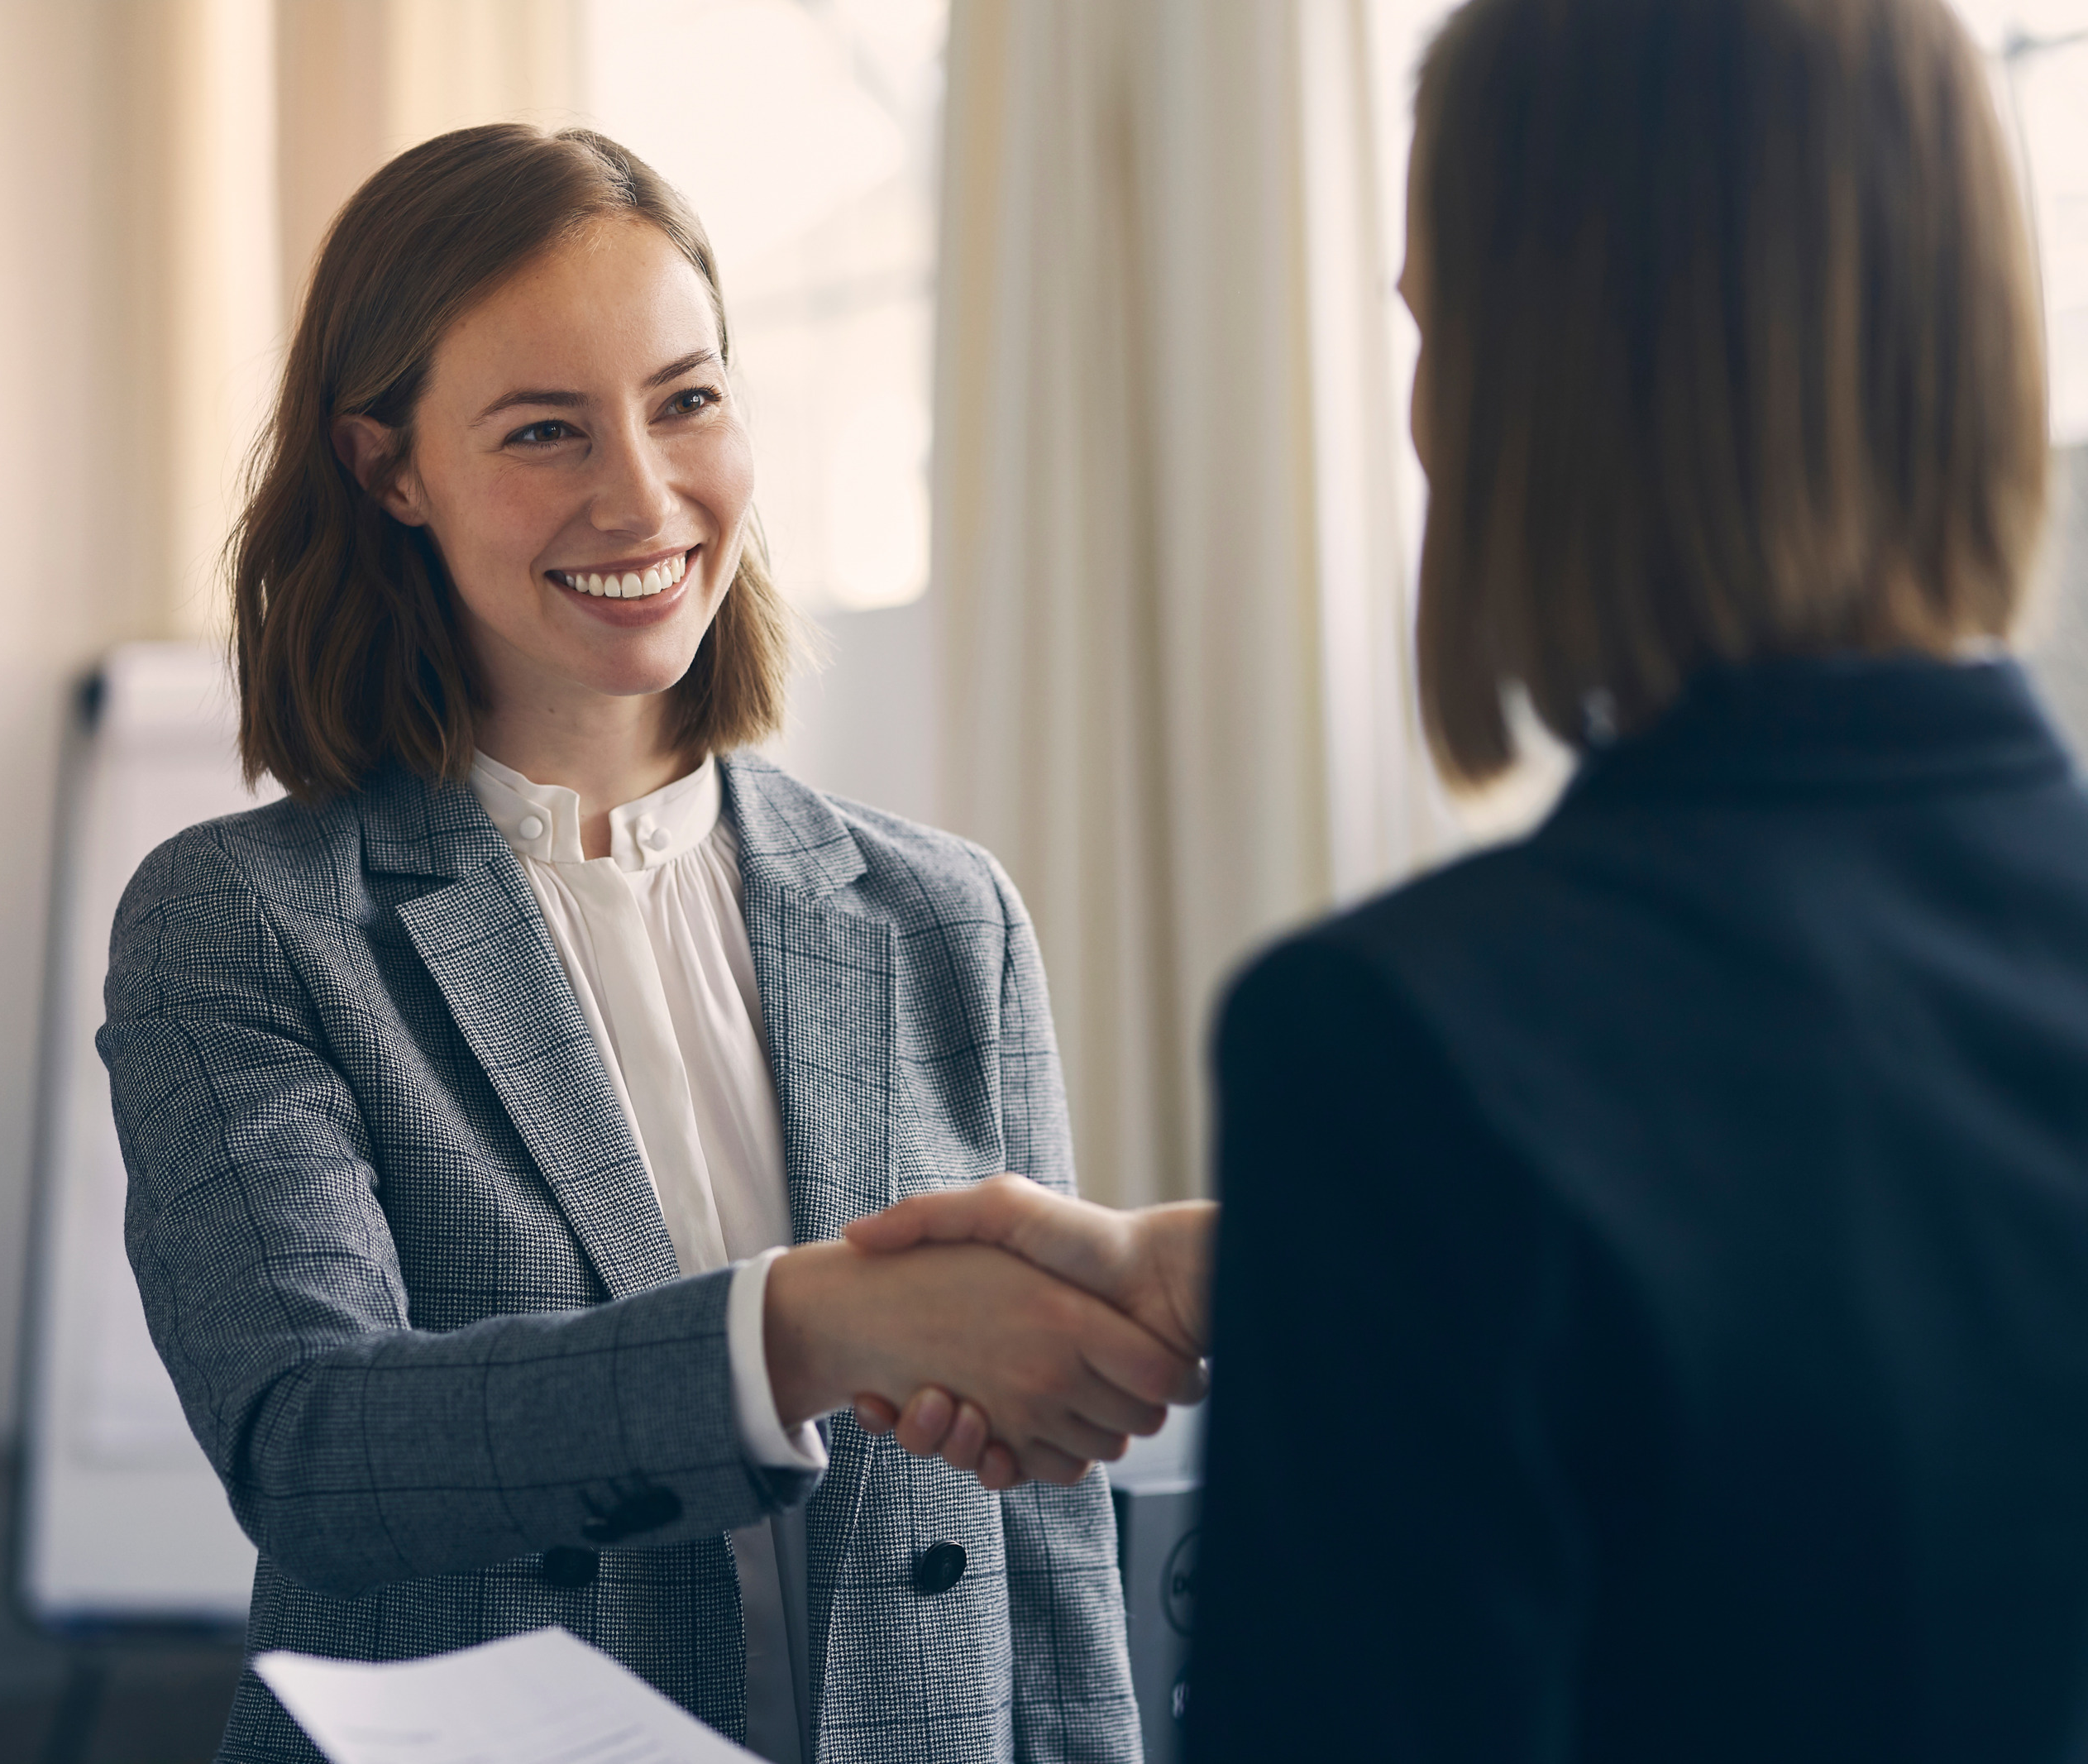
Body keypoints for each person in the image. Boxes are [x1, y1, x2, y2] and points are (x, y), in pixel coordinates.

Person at [853, 0, 2088, 1757]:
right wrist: (1323, 1278)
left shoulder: (1400, 1045)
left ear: (1545, 383)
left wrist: (1400, 1246)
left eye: (1431, 323)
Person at [95, 124, 1197, 1764]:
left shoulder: (937, 912)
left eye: (686, 400)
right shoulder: (249, 920)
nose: (642, 492)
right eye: (544, 429)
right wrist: (816, 1325)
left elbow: (1041, 1545)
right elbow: (317, 1448)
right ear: (387, 465)